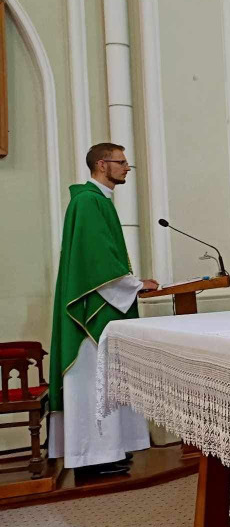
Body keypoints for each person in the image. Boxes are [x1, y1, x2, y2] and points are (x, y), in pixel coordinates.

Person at [48, 143, 156, 475]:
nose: (126, 167)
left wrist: (134, 284)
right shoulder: (88, 202)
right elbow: (96, 263)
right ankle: (91, 458)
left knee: (106, 382)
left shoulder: (97, 201)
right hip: (91, 310)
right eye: (120, 162)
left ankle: (112, 450)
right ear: (100, 164)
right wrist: (136, 285)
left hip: (105, 306)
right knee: (92, 382)